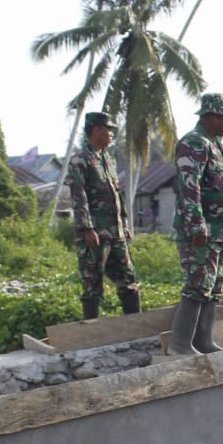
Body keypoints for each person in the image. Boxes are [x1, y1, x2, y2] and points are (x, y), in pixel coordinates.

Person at [169, 92, 223, 355]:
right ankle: (180, 345)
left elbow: (219, 188)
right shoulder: (194, 143)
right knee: (197, 284)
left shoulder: (213, 144)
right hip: (201, 232)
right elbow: (189, 187)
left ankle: (203, 342)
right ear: (209, 117)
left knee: (212, 287)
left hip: (219, 232)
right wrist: (197, 226)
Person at [66, 111, 140, 319]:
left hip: (115, 233)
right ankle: (92, 333)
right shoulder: (80, 160)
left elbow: (117, 195)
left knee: (128, 278)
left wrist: (124, 224)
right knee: (92, 283)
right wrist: (87, 228)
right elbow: (78, 197)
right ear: (97, 130)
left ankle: (136, 326)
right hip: (95, 234)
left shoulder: (108, 159)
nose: (111, 135)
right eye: (109, 130)